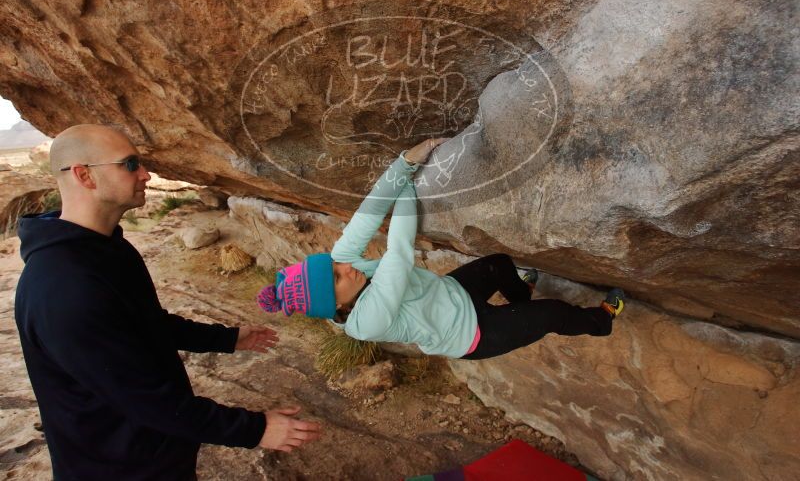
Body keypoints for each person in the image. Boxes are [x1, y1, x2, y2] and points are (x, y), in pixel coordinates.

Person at [15, 124, 321, 480]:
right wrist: (255, 429)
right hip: (119, 468)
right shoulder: (64, 288)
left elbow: (144, 323)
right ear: (84, 176)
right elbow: (144, 400)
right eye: (130, 164)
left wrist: (226, 339)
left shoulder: (104, 249)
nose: (146, 174)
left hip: (153, 453)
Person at [257, 138, 625, 360]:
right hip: (472, 334)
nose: (345, 268)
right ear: (336, 306)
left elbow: (369, 210)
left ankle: (521, 301)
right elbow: (399, 253)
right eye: (338, 278)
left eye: (335, 267)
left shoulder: (343, 264)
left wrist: (405, 164)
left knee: (499, 265)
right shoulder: (364, 323)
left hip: (450, 293)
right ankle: (602, 320)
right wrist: (409, 187)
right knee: (553, 315)